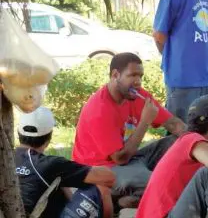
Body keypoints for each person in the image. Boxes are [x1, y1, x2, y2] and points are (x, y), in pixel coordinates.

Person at [15, 107, 134, 218]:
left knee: (58, 184)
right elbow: (108, 177)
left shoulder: (7, 160)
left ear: (18, 134)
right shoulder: (49, 164)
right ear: (49, 136)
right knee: (100, 187)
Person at [72, 52, 185, 203]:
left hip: (130, 158)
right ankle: (116, 198)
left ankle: (132, 196)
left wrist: (199, 141)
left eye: (140, 76)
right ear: (115, 75)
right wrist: (145, 121)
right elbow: (120, 158)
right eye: (132, 75)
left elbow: (174, 124)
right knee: (158, 184)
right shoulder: (99, 109)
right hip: (99, 169)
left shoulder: (138, 96)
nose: (138, 82)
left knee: (181, 142)